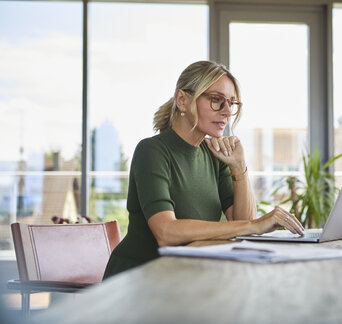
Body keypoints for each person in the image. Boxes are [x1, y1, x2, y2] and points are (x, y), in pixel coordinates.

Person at [103, 61, 304, 279]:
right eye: (216, 100)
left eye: (231, 103)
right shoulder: (152, 151)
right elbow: (166, 232)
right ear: (182, 100)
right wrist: (254, 225)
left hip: (188, 275)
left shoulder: (213, 153)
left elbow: (241, 223)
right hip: (139, 279)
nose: (227, 112)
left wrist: (239, 168)